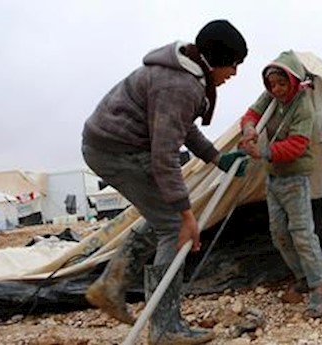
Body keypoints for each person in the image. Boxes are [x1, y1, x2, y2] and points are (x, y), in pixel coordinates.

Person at [81, 19, 248, 345]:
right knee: (174, 227)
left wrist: (216, 157)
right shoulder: (179, 85)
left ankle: (111, 285)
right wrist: (187, 217)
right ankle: (165, 326)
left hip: (109, 145)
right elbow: (164, 159)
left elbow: (183, 128)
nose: (234, 73)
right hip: (117, 151)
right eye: (233, 65)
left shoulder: (186, 75)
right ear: (215, 59)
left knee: (162, 220)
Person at [238, 51, 322, 318]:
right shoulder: (271, 96)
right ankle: (302, 277)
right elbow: (251, 114)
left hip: (295, 177)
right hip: (274, 177)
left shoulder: (303, 105)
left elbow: (297, 145)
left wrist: (263, 152)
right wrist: (249, 130)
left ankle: (321, 287)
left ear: (293, 80)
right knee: (279, 234)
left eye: (282, 83)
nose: (277, 89)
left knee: (302, 233)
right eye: (272, 84)